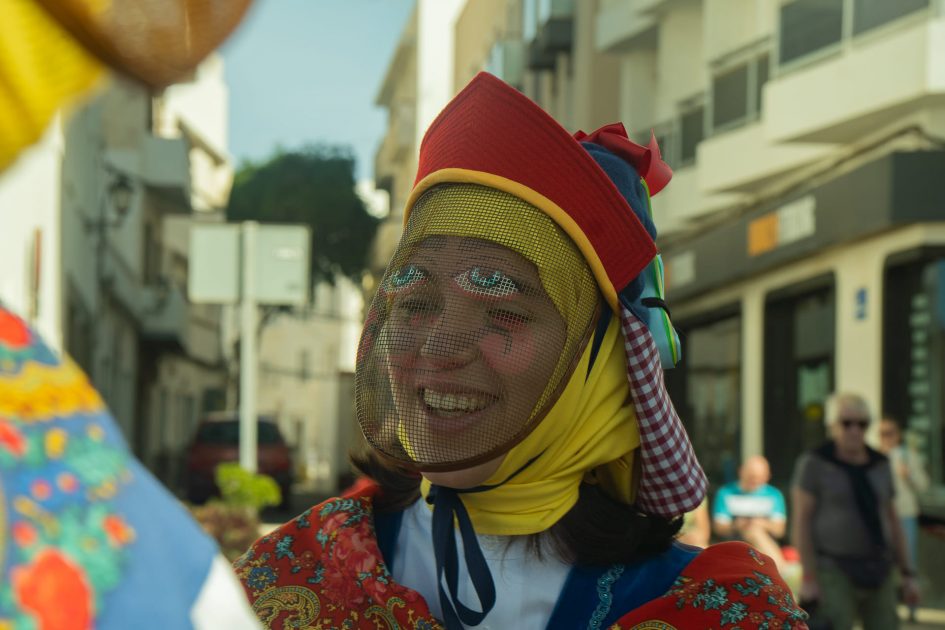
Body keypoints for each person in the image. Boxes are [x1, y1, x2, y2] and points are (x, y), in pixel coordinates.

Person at [234, 72, 807, 629]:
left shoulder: (713, 612)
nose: (438, 347)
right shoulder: (296, 575)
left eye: (502, 310)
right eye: (414, 303)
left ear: (602, 362)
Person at [792, 392, 919, 630]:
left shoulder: (880, 463)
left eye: (862, 424)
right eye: (847, 423)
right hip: (833, 567)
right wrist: (809, 577)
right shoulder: (815, 462)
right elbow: (801, 521)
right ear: (832, 425)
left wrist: (908, 574)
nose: (854, 430)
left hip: (879, 567)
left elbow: (892, 519)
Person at [879, 415, 929, 622]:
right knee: (884, 564)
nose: (885, 438)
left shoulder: (908, 456)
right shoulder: (873, 457)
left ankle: (912, 608)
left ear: (897, 435)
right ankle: (888, 606)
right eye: (882, 434)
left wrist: (908, 475)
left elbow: (923, 484)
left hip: (905, 514)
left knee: (909, 562)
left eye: (889, 433)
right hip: (881, 517)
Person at [712, 455, 787, 569]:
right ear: (741, 472)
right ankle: (779, 568)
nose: (755, 480)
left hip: (764, 542)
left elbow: (779, 530)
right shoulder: (726, 493)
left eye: (760, 477)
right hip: (734, 543)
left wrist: (762, 524)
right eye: (752, 476)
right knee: (751, 530)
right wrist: (737, 525)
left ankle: (777, 567)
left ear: (767, 476)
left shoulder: (774, 495)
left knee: (754, 530)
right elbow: (719, 528)